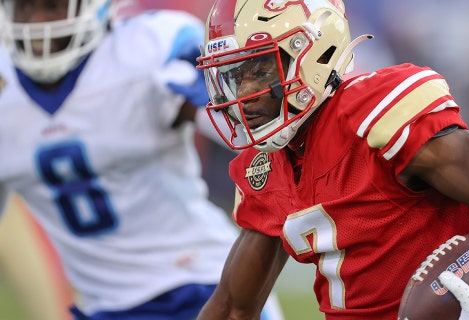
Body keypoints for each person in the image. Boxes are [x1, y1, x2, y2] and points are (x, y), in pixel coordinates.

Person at [194, 0, 469, 319]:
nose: (243, 93)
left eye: (257, 71)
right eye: (232, 76)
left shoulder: (375, 116)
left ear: (311, 54)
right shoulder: (264, 166)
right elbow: (232, 308)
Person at [0, 0, 283, 319]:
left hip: (201, 286)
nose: (38, 23)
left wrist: (217, 100)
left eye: (52, 7)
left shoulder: (151, 49)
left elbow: (258, 140)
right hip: (102, 307)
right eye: (23, 8)